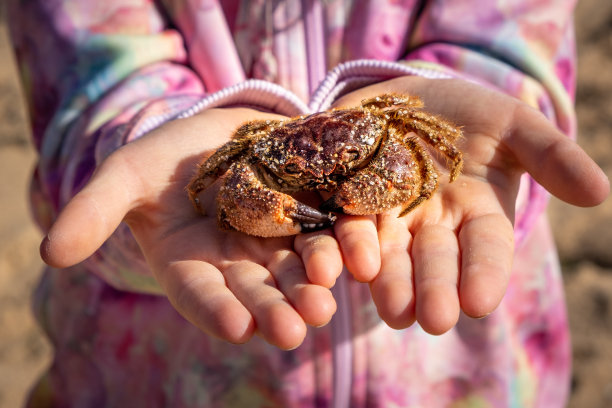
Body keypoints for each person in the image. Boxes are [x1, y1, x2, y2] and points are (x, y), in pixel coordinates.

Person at [7, 0, 608, 407]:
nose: (323, 182)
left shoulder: (389, 133)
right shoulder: (250, 160)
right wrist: (150, 148)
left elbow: (444, 137)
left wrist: (460, 116)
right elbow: (107, 83)